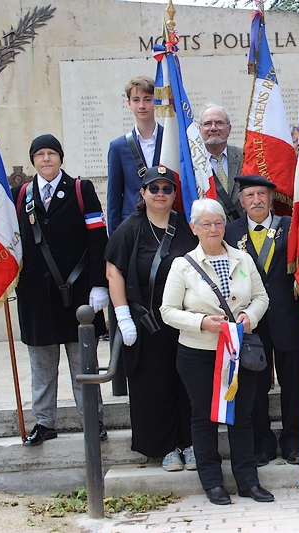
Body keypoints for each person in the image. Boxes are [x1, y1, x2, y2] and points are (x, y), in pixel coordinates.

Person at [160, 198, 272, 505]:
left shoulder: (243, 259)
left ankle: (248, 481)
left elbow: (261, 297)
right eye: (206, 224)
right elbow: (167, 311)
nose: (213, 229)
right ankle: (212, 483)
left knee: (243, 417)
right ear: (194, 228)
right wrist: (201, 323)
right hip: (199, 353)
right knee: (204, 417)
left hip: (240, 351)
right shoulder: (182, 265)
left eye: (219, 223)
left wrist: (250, 317)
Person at [13, 134, 109, 446]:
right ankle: (44, 422)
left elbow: (98, 239)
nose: (46, 159)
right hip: (36, 297)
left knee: (83, 363)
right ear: (33, 161)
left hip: (78, 293)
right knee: (41, 365)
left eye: (51, 153)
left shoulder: (81, 191)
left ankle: (92, 421)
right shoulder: (20, 195)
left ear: (60, 158)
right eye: (39, 154)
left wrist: (99, 284)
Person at [104, 166, 197, 471]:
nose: (160, 194)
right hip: (146, 322)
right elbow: (113, 271)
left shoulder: (186, 226)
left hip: (185, 321)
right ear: (142, 193)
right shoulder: (129, 229)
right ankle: (165, 448)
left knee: (188, 384)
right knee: (153, 386)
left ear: (175, 194)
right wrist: (122, 316)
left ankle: (192, 443)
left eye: (167, 189)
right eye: (153, 189)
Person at [225, 175, 299, 466]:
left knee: (293, 385)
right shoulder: (229, 232)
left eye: (261, 194)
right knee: (254, 386)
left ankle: (293, 442)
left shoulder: (291, 227)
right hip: (249, 321)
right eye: (250, 195)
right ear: (241, 200)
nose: (256, 200)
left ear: (271, 198)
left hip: (287, 317)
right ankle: (262, 443)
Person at [107, 76, 163, 234]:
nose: (142, 105)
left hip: (166, 222)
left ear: (156, 101)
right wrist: (114, 240)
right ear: (129, 103)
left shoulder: (170, 141)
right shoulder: (118, 147)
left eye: (148, 99)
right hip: (131, 226)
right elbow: (114, 199)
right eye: (136, 100)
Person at [199, 104, 244, 222]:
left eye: (219, 123)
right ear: (200, 129)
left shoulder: (244, 157)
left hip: (241, 233)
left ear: (229, 128)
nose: (213, 128)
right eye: (207, 123)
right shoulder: (193, 162)